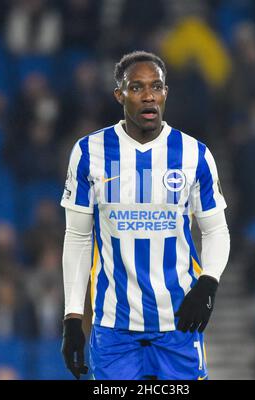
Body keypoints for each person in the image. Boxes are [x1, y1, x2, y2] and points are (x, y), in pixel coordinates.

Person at [60, 51, 230, 380]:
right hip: (113, 327)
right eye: (136, 88)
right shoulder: (88, 152)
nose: (148, 95)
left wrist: (208, 284)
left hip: (178, 322)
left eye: (156, 86)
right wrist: (72, 317)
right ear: (119, 95)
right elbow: (78, 237)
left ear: (165, 93)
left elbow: (215, 230)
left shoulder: (194, 154)